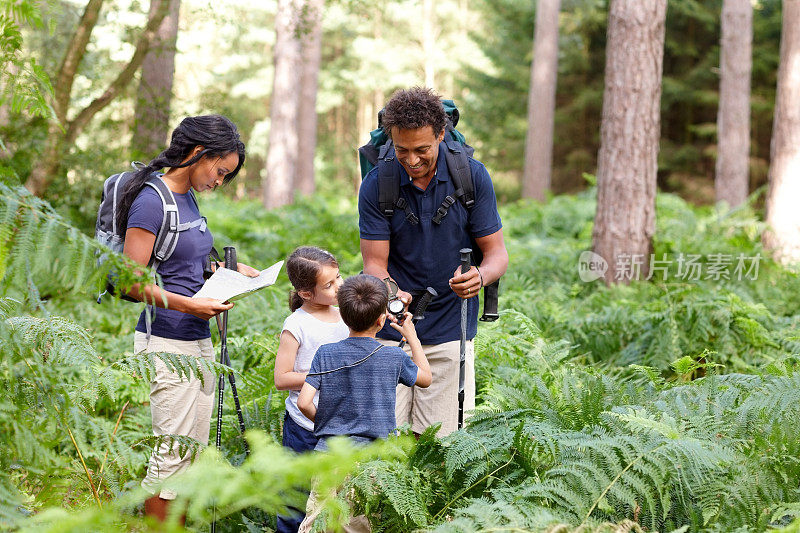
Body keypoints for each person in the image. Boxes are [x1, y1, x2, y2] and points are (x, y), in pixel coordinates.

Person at [118, 115, 257, 522]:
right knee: (172, 455)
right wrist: (189, 305)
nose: (219, 181)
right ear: (198, 154)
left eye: (226, 176)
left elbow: (186, 264)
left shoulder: (188, 197)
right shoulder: (151, 200)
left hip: (196, 339)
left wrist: (229, 273)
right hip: (165, 341)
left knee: (190, 454)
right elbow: (129, 282)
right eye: (220, 171)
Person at [358, 87, 509, 437]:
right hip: (389, 331)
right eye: (402, 150)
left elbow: (497, 254)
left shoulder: (471, 176)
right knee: (381, 443)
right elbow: (374, 265)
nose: (411, 160)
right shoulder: (378, 183)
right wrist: (393, 294)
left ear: (441, 135)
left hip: (450, 330)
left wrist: (480, 277)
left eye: (422, 149)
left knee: (441, 445)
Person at [296, 274, 432, 533]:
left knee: (318, 523)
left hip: (328, 455)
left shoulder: (326, 352)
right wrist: (412, 337)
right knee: (357, 526)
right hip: (370, 461)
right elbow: (425, 378)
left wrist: (328, 423)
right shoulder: (392, 355)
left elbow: (304, 402)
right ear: (381, 320)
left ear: (343, 316)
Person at [274, 246, 348, 532]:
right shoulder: (297, 324)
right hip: (303, 427)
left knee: (335, 501)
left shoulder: (345, 316)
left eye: (339, 278)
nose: (339, 287)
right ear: (306, 293)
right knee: (295, 501)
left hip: (340, 425)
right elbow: (282, 378)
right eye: (329, 285)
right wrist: (320, 374)